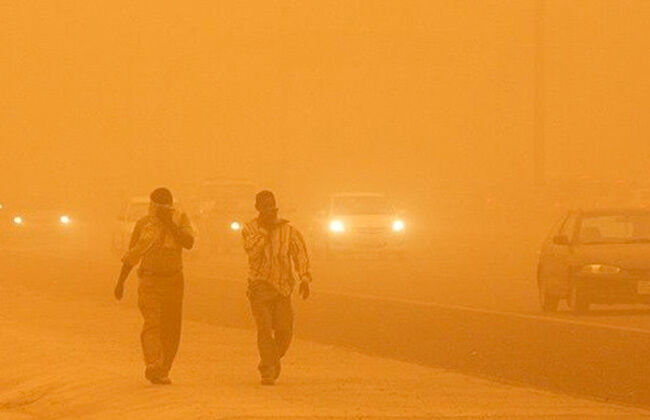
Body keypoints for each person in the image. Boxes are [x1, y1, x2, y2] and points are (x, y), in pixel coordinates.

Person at [113, 187, 194, 385]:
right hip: (149, 280)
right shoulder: (143, 224)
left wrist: (169, 224)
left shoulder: (180, 220)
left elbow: (189, 242)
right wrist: (121, 281)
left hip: (174, 280)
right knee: (152, 322)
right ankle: (153, 364)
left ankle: (164, 368)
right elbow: (133, 254)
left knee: (172, 327)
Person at [242, 190, 311, 385]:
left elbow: (300, 254)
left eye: (271, 205)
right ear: (257, 208)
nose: (269, 209)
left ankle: (270, 361)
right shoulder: (250, 229)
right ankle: (268, 370)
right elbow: (252, 252)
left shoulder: (288, 230)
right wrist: (265, 230)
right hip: (260, 287)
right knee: (264, 329)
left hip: (282, 288)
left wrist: (304, 278)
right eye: (264, 206)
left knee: (284, 331)